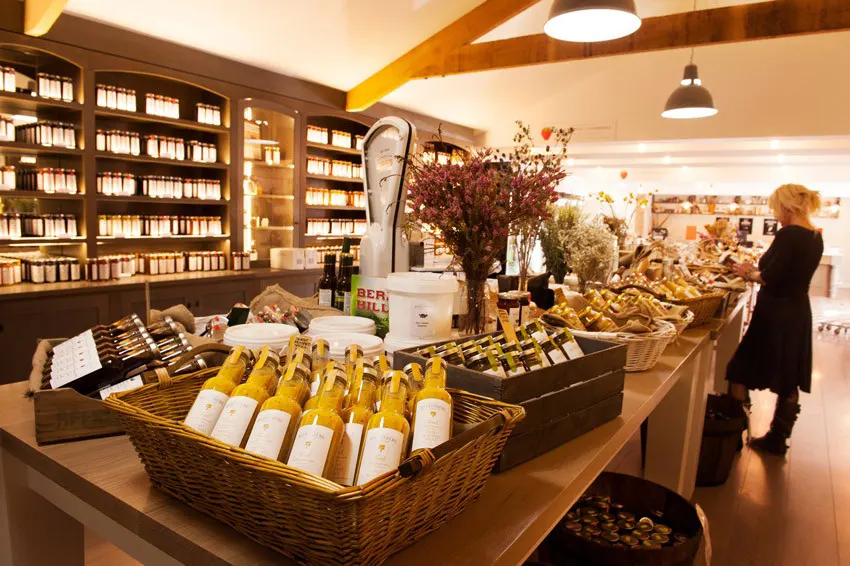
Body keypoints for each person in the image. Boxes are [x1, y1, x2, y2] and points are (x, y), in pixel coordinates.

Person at [726, 184, 823, 456]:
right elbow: (789, 274)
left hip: (775, 312)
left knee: (738, 369)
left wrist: (747, 272)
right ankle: (778, 439)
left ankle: (733, 432)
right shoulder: (815, 236)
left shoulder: (789, 234)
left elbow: (770, 277)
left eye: (776, 208)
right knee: (789, 376)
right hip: (797, 311)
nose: (775, 213)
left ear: (787, 206)